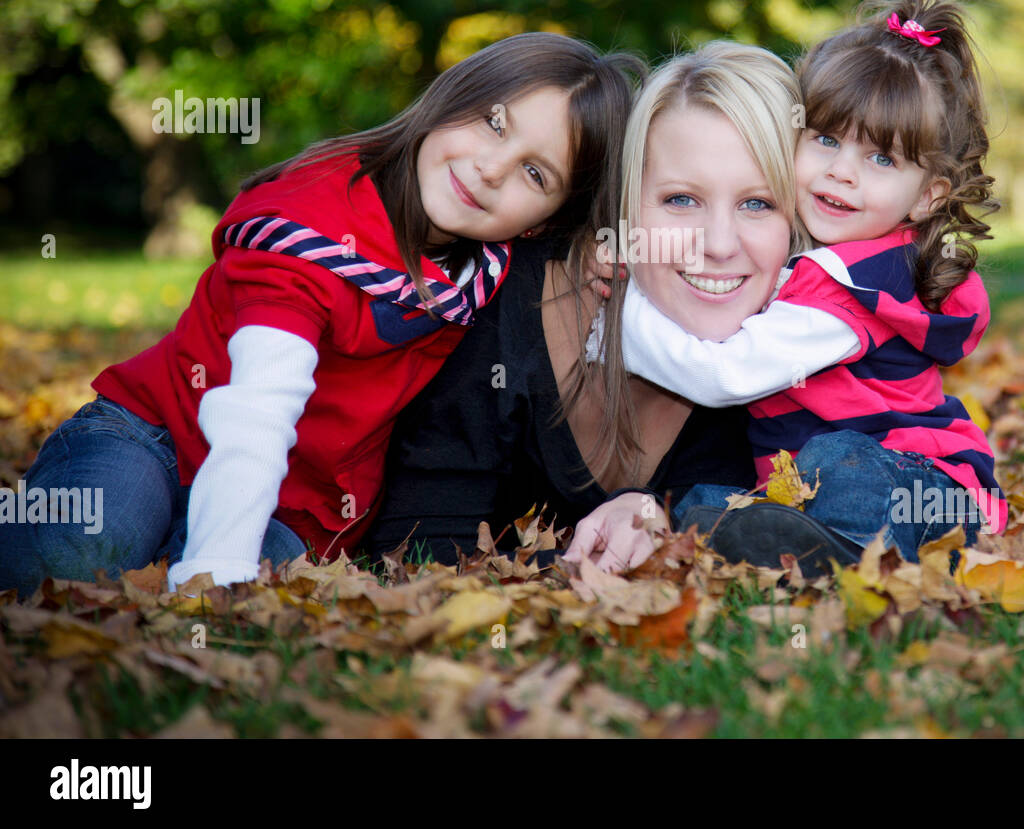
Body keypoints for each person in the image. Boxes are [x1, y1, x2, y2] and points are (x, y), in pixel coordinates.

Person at [0, 33, 642, 597]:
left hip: (302, 507)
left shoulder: (492, 267)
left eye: (535, 172)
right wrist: (213, 576)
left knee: (264, 589)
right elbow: (257, 411)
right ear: (450, 97)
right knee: (70, 561)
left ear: (548, 221)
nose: (491, 167)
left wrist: (598, 254)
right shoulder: (312, 223)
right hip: (157, 436)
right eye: (492, 123)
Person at [368, 41, 807, 573]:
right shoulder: (509, 301)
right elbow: (412, 554)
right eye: (680, 200)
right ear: (624, 203)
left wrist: (656, 519)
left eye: (757, 204)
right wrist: (585, 559)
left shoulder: (797, 350)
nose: (716, 244)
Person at [609, 0, 1007, 564]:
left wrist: (612, 319)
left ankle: (848, 554)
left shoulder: (857, 283)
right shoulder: (826, 260)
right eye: (825, 139)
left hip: (927, 488)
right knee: (698, 503)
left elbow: (724, 372)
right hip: (819, 485)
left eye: (880, 159)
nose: (841, 172)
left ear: (927, 197)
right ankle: (791, 542)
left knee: (840, 462)